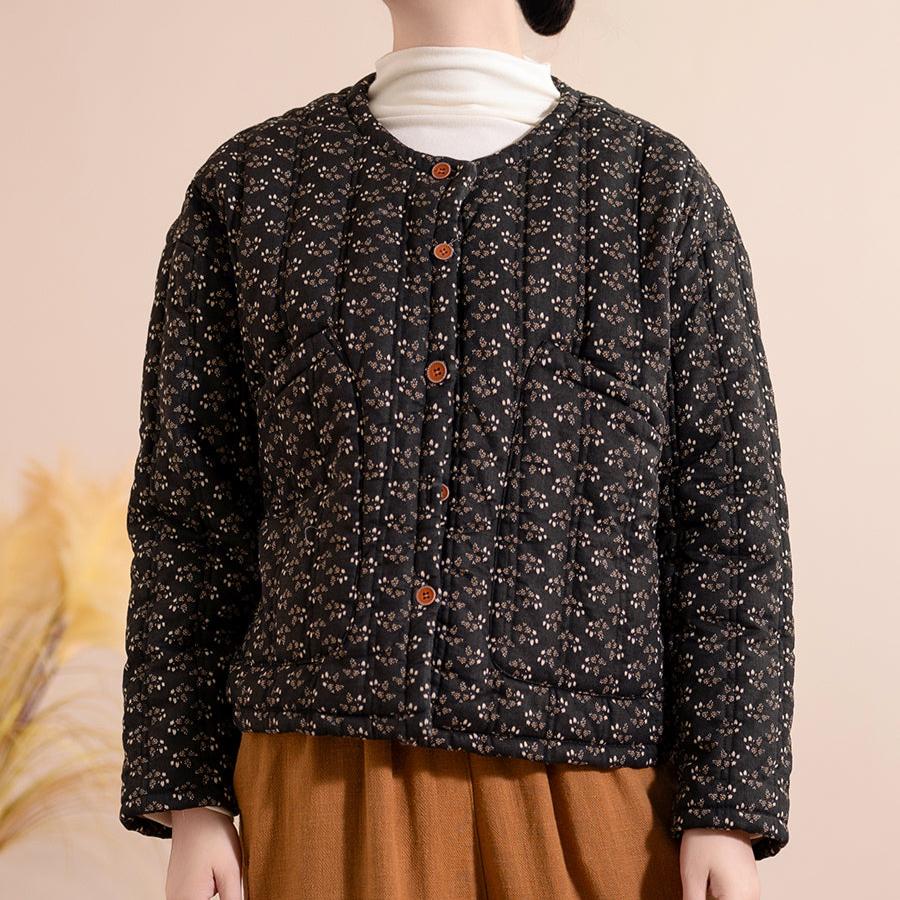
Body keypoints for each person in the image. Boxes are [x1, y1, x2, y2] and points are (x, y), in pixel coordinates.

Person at [118, 1, 794, 898]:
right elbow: (190, 519)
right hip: (321, 786)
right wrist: (190, 797)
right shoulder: (254, 190)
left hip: (596, 798)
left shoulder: (655, 193)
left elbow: (731, 529)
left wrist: (727, 808)